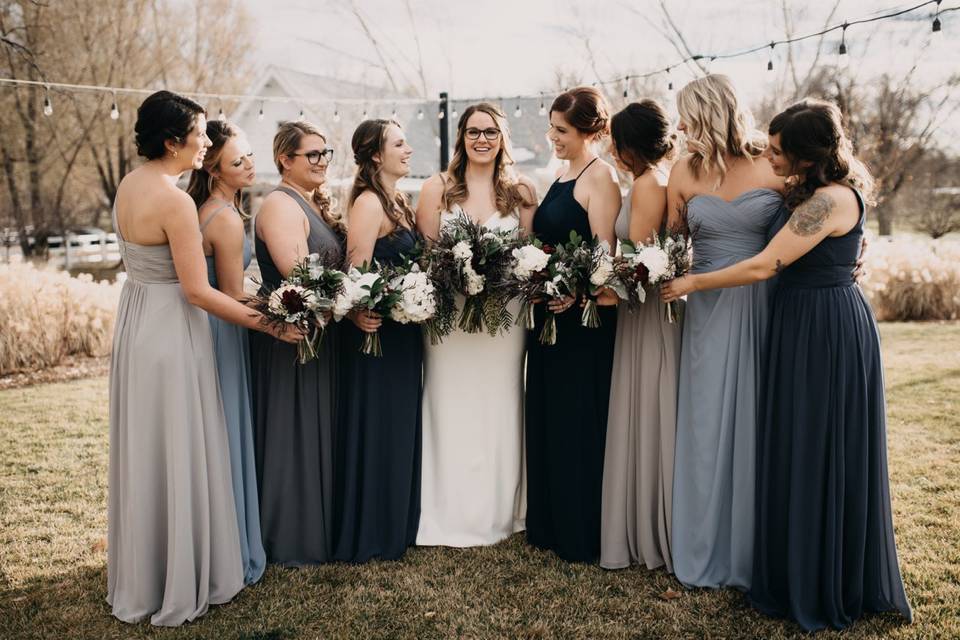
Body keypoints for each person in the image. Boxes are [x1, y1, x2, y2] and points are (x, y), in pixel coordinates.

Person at [662, 98, 913, 631]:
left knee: (818, 446)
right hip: (796, 320)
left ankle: (824, 575)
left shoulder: (831, 200)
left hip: (825, 330)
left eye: (777, 150)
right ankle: (790, 563)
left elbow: (763, 264)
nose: (768, 155)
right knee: (793, 445)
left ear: (804, 155)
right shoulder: (809, 193)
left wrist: (691, 283)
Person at [107, 91, 300, 626]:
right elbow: (198, 291)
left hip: (139, 319)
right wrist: (272, 324)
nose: (205, 142)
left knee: (153, 447)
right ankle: (186, 572)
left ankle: (150, 570)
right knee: (182, 444)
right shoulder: (173, 200)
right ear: (174, 142)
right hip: (172, 328)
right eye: (198, 134)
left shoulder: (132, 183)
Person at [666, 74, 785, 589]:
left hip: (767, 307)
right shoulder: (682, 172)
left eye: (688, 116)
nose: (681, 126)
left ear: (712, 114)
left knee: (763, 417)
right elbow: (669, 248)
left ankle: (759, 548)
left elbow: (812, 230)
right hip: (708, 311)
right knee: (707, 425)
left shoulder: (771, 165)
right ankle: (706, 544)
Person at [414, 103, 536, 547]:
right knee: (448, 401)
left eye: (490, 132)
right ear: (461, 138)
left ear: (502, 137)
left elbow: (528, 257)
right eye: (472, 132)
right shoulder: (437, 188)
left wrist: (494, 277)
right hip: (449, 320)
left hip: (504, 319)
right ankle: (444, 510)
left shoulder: (521, 192)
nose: (481, 140)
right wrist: (458, 275)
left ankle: (499, 511)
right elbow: (425, 257)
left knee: (499, 402)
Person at [524, 87, 621, 563]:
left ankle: (579, 528)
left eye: (562, 130)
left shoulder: (600, 178)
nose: (553, 137)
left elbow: (605, 256)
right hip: (549, 316)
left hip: (583, 323)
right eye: (552, 128)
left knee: (576, 420)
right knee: (549, 415)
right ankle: (549, 522)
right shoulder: (562, 173)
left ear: (591, 132)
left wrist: (575, 291)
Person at [249, 121, 344, 565]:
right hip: (293, 340)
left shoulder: (309, 203)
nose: (323, 161)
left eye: (326, 154)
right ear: (285, 159)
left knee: (316, 431)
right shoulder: (280, 206)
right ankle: (291, 537)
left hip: (317, 337)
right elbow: (299, 279)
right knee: (295, 435)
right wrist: (354, 294)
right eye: (313, 154)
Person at [333, 119, 423, 563]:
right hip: (379, 337)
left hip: (406, 332)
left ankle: (398, 523)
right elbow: (356, 276)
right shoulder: (369, 204)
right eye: (399, 144)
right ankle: (372, 531)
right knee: (380, 428)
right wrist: (360, 312)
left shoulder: (399, 201)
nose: (408, 149)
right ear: (375, 156)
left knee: (399, 427)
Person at [599, 100, 680, 572]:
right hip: (641, 314)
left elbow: (641, 266)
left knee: (648, 408)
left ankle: (649, 526)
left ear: (631, 145)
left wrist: (599, 290)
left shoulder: (651, 185)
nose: (611, 148)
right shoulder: (652, 179)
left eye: (616, 141)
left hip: (645, 314)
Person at [185, 119, 265, 585]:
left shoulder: (205, 209)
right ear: (215, 170)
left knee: (210, 431)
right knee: (228, 428)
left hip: (203, 328)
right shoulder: (226, 219)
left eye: (250, 153)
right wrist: (286, 305)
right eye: (238, 161)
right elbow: (234, 295)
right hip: (224, 329)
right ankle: (233, 546)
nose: (249, 164)